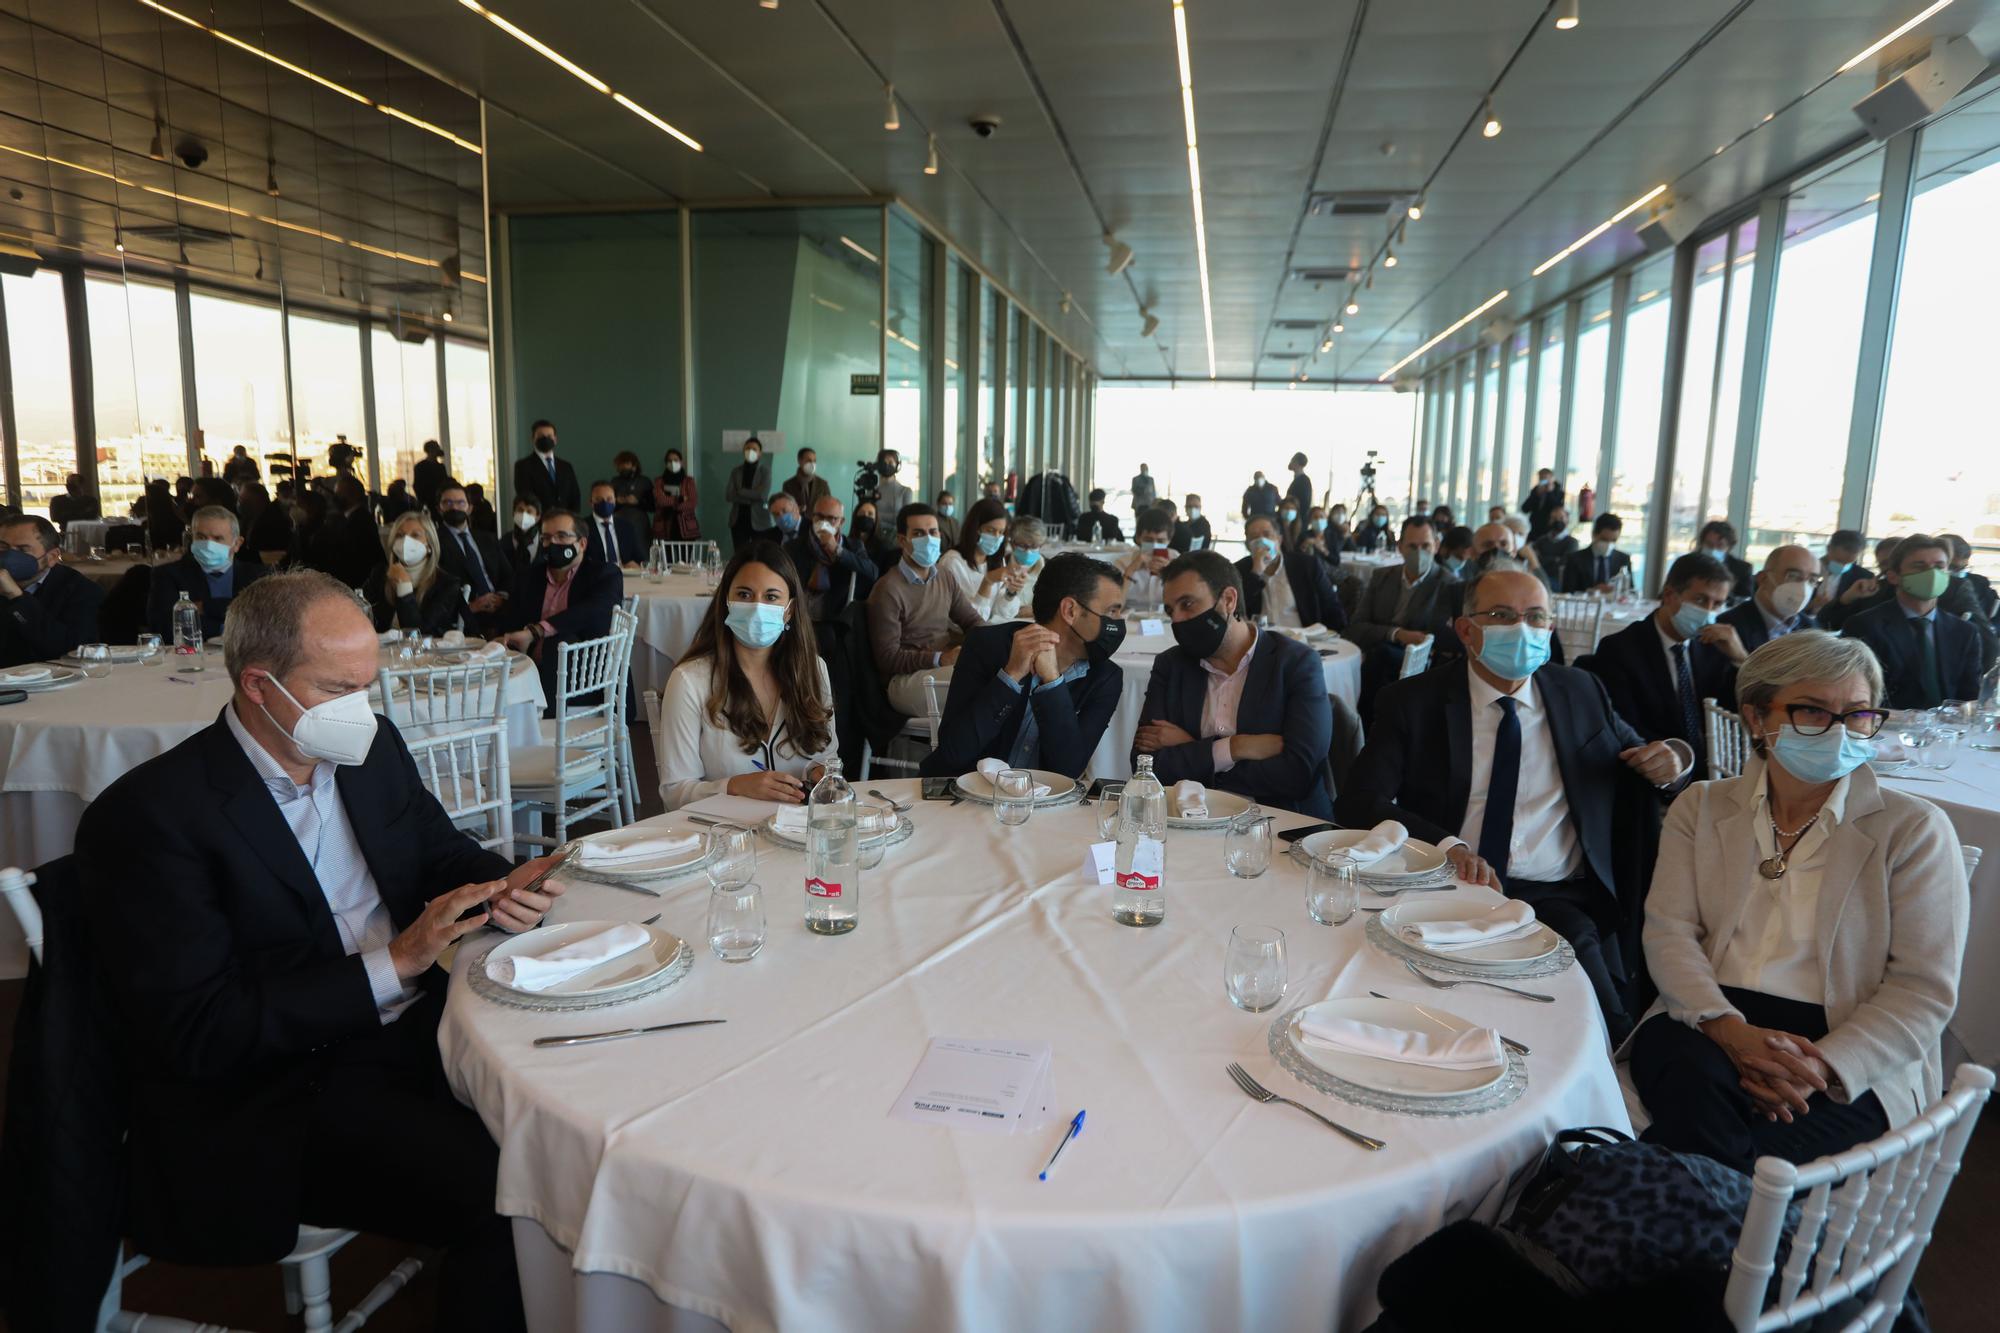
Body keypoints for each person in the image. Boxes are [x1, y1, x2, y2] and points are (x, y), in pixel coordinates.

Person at [77, 571, 563, 1331]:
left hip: (419, 1025)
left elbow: (437, 852)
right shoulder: (154, 819)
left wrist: (497, 885)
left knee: (572, 1111)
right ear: (260, 686)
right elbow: (205, 1030)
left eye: (368, 686)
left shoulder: (371, 746)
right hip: (281, 1088)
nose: (361, 711)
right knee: (511, 1191)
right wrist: (397, 960)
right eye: (339, 688)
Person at [1633, 631, 1966, 1173]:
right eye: (1812, 711)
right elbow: (1669, 932)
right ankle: (1728, 1226)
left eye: (1857, 714)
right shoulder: (1704, 807)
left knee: (1725, 1149)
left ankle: (1687, 1210)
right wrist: (1731, 1032)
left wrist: (1818, 1068)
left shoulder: (1913, 829)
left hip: (1846, 1039)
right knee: (1700, 1096)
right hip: (1709, 1017)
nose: (1837, 731)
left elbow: (1922, 990)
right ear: (1756, 718)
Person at [1336, 569, 1691, 1041]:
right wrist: (1448, 847)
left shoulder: (1580, 692)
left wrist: (1676, 758)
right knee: (1431, 1021)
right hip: (1451, 888)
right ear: (1466, 630)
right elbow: (1360, 800)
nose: (1522, 628)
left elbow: (1644, 759)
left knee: (1603, 1021)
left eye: (1536, 616)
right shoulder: (1413, 702)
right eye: (1502, 615)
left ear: (1550, 628)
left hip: (1557, 894)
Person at [1133, 550, 1333, 818]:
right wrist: (1235, 747)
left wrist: (1195, 750)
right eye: (1171, 611)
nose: (1177, 620)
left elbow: (1298, 773)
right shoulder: (1172, 665)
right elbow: (1144, 766)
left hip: (1282, 824)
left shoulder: (1295, 663)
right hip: (1190, 821)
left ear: (1228, 600)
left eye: (1188, 604)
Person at [656, 542, 838, 811]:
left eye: (771, 597)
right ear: (726, 602)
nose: (756, 607)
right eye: (744, 594)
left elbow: (827, 757)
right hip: (722, 834)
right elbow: (674, 793)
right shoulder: (689, 681)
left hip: (798, 831)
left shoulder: (813, 670)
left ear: (789, 610)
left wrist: (818, 773)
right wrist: (734, 786)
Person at [923, 553, 1127, 779]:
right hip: (965, 798)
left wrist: (1052, 683)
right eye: (1112, 611)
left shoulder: (1105, 678)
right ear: (1070, 610)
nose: (1119, 622)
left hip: (1043, 807)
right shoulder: (988, 645)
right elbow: (954, 752)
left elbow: (1067, 770)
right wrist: (1010, 676)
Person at [1582, 553, 1737, 776]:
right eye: (1701, 600)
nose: (1709, 612)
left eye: (1718, 604)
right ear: (1670, 594)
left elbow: (1735, 712)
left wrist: (1740, 659)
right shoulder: (1620, 649)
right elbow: (1627, 729)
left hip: (1715, 772)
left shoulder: (1715, 647)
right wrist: (1682, 766)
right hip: (1658, 775)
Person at [1840, 533, 1983, 709]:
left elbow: (1969, 696)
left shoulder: (1964, 631)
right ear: (1893, 577)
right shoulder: (1864, 625)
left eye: (1939, 567)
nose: (1931, 574)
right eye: (1919, 566)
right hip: (1886, 728)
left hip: (1947, 730)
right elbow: (1857, 693)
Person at [495, 510, 623, 707]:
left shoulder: (604, 574)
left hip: (584, 680)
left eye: (562, 536)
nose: (553, 543)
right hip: (528, 674)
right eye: (546, 538)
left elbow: (592, 611)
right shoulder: (528, 577)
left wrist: (536, 631)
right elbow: (511, 622)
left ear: (582, 544)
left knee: (562, 643)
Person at [865, 503, 982, 716]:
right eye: (919, 533)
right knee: (978, 683)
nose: (928, 539)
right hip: (903, 680)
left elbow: (972, 621)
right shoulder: (888, 589)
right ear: (902, 540)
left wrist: (995, 641)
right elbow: (887, 658)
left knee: (999, 673)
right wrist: (939, 658)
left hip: (940, 670)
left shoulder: (945, 577)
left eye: (933, 532)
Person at [1347, 517, 1456, 713]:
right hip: (1376, 653)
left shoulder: (1448, 584)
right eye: (1412, 546)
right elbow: (1357, 626)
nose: (1419, 553)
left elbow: (1438, 636)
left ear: (1437, 546)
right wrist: (1397, 633)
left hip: (1417, 660)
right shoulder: (1382, 576)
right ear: (1400, 547)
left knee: (1381, 658)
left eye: (1426, 546)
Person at [146, 505, 267, 640]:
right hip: (192, 657)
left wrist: (205, 607)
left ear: (237, 544)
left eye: (217, 538)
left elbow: (267, 622)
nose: (209, 545)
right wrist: (227, 628)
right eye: (201, 537)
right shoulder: (168, 575)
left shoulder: (260, 576)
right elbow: (164, 626)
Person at [0, 513, 104, 665]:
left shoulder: (80, 591)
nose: (9, 557)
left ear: (52, 557)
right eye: (3, 548)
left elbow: (72, 651)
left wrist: (17, 597)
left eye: (22, 550)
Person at [1235, 514, 1345, 631]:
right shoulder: (1238, 570)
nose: (1262, 541)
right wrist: (1256, 573)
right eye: (1254, 537)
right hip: (1260, 641)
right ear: (1247, 545)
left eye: (1267, 534)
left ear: (1279, 540)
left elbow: (1332, 608)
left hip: (1302, 641)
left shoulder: (1307, 565)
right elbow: (1235, 612)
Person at [363, 511, 464, 638]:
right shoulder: (380, 574)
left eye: (415, 535)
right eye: (399, 535)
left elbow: (417, 634)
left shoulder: (446, 584)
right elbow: (364, 615)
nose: (406, 541)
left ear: (429, 545)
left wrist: (404, 588)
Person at [1715, 544, 1821, 659]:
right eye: (1793, 576)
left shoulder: (1813, 630)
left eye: (1812, 580)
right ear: (1763, 578)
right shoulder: (1727, 627)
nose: (1803, 588)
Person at [784, 492, 877, 622]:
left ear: (841, 522)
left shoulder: (853, 546)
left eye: (831, 519)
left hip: (836, 618)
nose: (824, 523)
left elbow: (872, 572)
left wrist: (837, 550)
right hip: (800, 617)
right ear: (812, 516)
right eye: (819, 517)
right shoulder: (794, 547)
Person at [939, 497, 1029, 622]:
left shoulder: (996, 559)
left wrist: (1011, 593)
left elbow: (1001, 614)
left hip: (989, 631)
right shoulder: (952, 562)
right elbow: (969, 622)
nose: (996, 537)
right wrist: (987, 582)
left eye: (1001, 532)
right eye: (990, 530)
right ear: (975, 528)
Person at [434, 483, 510, 627]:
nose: (454, 507)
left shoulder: (488, 538)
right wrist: (471, 606)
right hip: (463, 618)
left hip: (500, 610)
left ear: (470, 508)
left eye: (460, 502)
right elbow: (436, 590)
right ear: (439, 508)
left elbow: (508, 575)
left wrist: (501, 597)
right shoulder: (434, 543)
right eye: (447, 502)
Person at [512, 419, 581, 515]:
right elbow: (526, 499)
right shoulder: (523, 466)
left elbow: (575, 496)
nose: (545, 439)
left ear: (555, 440)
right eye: (541, 436)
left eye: (549, 436)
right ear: (533, 439)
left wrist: (571, 519)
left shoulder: (566, 467)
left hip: (565, 523)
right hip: (539, 524)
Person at [1560, 513, 1632, 594]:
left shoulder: (1623, 559)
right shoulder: (1575, 559)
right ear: (1594, 534)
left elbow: (1629, 591)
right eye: (1604, 539)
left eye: (1613, 541)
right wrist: (1591, 591)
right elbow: (1567, 592)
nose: (1608, 544)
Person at [725, 436, 774, 554]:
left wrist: (741, 491)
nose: (750, 451)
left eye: (754, 449)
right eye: (747, 448)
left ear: (760, 453)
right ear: (743, 451)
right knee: (740, 555)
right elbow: (729, 495)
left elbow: (763, 495)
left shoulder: (765, 470)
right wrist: (752, 495)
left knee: (760, 555)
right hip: (738, 520)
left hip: (760, 521)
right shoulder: (736, 471)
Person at [1119, 509, 1176, 609]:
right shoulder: (1123, 563)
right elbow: (1116, 608)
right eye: (1148, 540)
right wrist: (1130, 571)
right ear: (1138, 538)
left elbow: (1180, 606)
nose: (1154, 546)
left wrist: (1169, 576)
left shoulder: (1176, 561)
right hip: (1130, 618)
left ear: (1169, 541)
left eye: (1160, 541)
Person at [1810, 528, 1870, 620]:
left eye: (1848, 563)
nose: (1842, 566)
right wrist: (1811, 605)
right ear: (1829, 548)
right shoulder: (1808, 569)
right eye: (1839, 561)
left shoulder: (1863, 577)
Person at [584, 480, 646, 568]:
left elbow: (640, 559)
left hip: (626, 576)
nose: (605, 503)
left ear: (615, 501)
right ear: (591, 502)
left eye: (609, 499)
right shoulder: (582, 527)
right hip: (597, 577)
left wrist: (636, 565)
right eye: (599, 499)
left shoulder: (626, 527)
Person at [1942, 532, 1998, 621]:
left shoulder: (1980, 584)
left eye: (1963, 568)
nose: (1959, 573)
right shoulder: (1926, 589)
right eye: (1952, 567)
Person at [1696, 520, 1755, 602]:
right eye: (1709, 544)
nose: (1713, 549)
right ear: (1701, 543)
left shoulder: (1743, 568)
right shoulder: (1686, 563)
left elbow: (1745, 601)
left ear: (1729, 547)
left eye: (1720, 545)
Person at [654, 448, 700, 543]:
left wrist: (671, 503)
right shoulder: (659, 481)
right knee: (666, 556)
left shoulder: (688, 481)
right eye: (669, 461)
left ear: (681, 462)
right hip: (664, 525)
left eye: (675, 460)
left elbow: (692, 502)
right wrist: (681, 498)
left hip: (686, 526)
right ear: (666, 463)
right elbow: (660, 500)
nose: (673, 463)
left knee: (686, 557)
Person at [872, 449, 913, 531]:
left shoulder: (905, 491)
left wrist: (877, 516)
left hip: (896, 539)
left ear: (897, 466)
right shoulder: (872, 491)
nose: (887, 465)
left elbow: (905, 519)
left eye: (890, 462)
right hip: (874, 535)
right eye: (884, 463)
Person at [783, 446, 830, 513]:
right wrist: (797, 509)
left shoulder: (823, 484)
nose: (812, 464)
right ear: (799, 461)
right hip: (797, 522)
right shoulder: (788, 485)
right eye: (808, 460)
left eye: (814, 461)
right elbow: (785, 508)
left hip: (816, 522)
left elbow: (828, 506)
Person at [1530, 506, 1576, 574]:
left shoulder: (1572, 542)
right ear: (1549, 521)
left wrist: (1542, 559)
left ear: (1567, 520)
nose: (1557, 521)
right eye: (1554, 518)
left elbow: (1564, 563)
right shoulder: (1541, 540)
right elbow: (1532, 558)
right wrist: (1555, 559)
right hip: (1538, 576)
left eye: (1561, 518)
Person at [503, 496, 542, 576]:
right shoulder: (504, 541)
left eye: (529, 511)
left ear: (537, 517)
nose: (524, 514)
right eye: (520, 510)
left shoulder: (545, 541)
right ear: (513, 513)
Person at [1522, 467, 1565, 539]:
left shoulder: (1559, 492)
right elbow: (1525, 508)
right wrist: (1536, 495)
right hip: (1534, 528)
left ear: (1552, 478)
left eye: (1545, 478)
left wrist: (1550, 492)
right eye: (1541, 479)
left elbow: (1557, 508)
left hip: (1549, 528)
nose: (1544, 481)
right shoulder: (1536, 491)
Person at [412, 439, 449, 511]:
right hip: (429, 501)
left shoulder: (439, 467)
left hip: (437, 500)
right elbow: (418, 485)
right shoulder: (421, 466)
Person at [1283, 451, 1313, 515]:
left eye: (1292, 460)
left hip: (1298, 518)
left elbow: (1304, 503)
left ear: (1297, 462)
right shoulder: (1298, 479)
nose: (1290, 462)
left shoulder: (1304, 480)